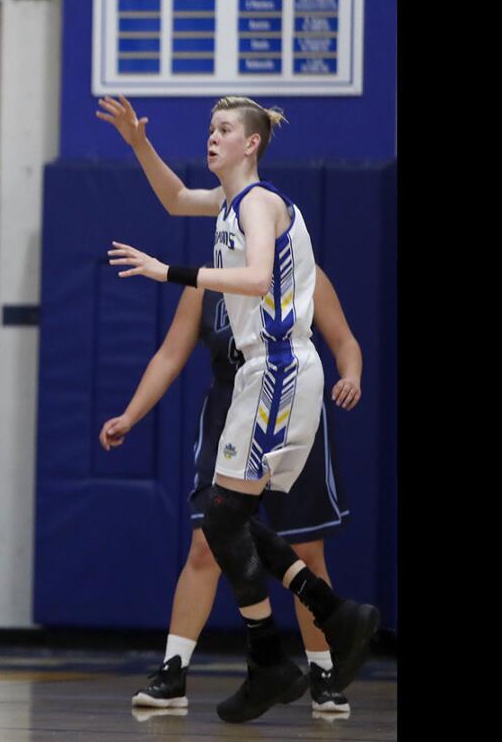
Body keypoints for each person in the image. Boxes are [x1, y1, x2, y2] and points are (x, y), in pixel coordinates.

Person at [97, 95, 379, 723]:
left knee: (224, 522)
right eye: (210, 128)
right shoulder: (229, 204)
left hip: (277, 367)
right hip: (263, 373)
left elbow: (255, 278)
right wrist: (137, 141)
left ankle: (283, 652)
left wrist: (167, 270)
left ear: (252, 143)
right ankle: (320, 625)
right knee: (227, 521)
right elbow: (174, 199)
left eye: (224, 129)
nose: (213, 137)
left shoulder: (260, 203)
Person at [101, 269, 362, 714]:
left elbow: (344, 340)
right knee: (206, 543)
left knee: (306, 549)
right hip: (231, 415)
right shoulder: (204, 282)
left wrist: (350, 375)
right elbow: (169, 355)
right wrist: (130, 414)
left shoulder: (304, 270)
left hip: (291, 409)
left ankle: (323, 672)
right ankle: (173, 672)